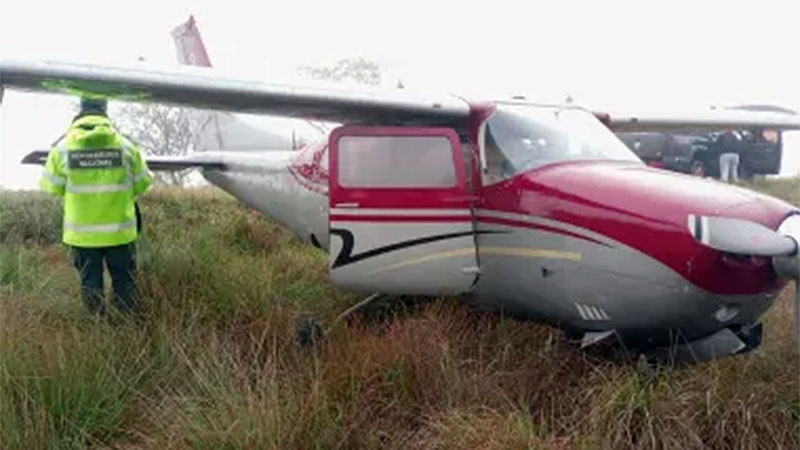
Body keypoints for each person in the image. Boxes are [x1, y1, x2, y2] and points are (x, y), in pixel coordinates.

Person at [40, 97, 152, 315]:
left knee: (90, 284)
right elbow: (142, 185)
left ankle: (97, 329)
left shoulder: (62, 149)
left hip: (82, 236)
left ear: (81, 112)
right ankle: (126, 327)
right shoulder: (127, 147)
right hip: (120, 234)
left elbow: (52, 188)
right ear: (105, 112)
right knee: (125, 283)